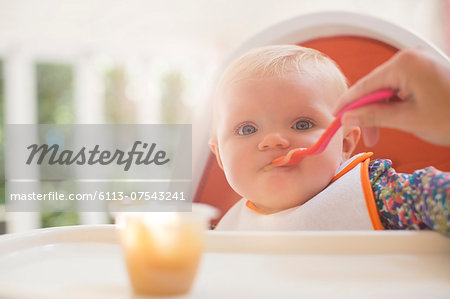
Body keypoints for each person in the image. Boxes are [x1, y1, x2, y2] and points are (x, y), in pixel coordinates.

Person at [208, 45, 449, 233]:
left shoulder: (379, 196)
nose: (273, 141)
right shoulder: (219, 232)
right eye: (247, 129)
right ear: (219, 154)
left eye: (302, 124)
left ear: (344, 143)